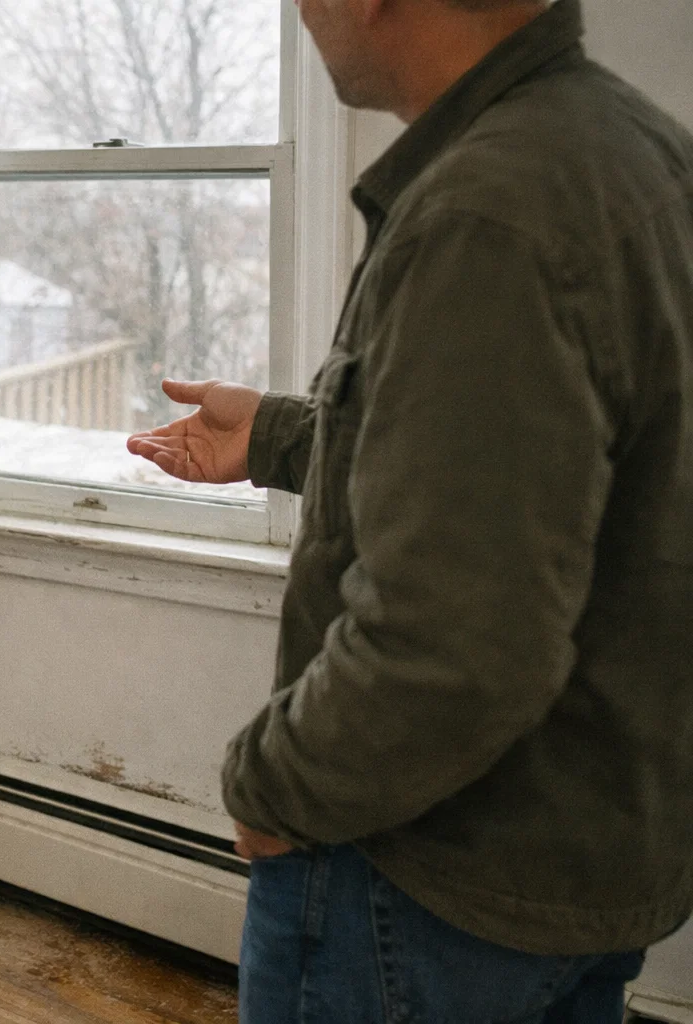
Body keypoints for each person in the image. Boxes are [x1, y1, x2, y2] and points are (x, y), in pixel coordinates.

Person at [128, 0, 693, 1019]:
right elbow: (563, 490)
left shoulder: (487, 212)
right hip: (589, 867)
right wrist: (278, 435)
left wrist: (265, 787)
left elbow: (453, 645)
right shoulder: (636, 152)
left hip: (421, 887)